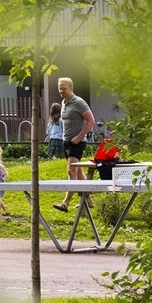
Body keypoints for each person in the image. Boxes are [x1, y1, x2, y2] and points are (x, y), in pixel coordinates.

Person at [54, 76, 96, 212]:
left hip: (77, 143)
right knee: (78, 173)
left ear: (71, 88)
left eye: (64, 89)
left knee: (71, 170)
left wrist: (79, 137)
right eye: (60, 89)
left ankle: (65, 203)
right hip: (66, 141)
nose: (61, 91)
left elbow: (91, 121)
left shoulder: (79, 102)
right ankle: (88, 200)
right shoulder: (64, 102)